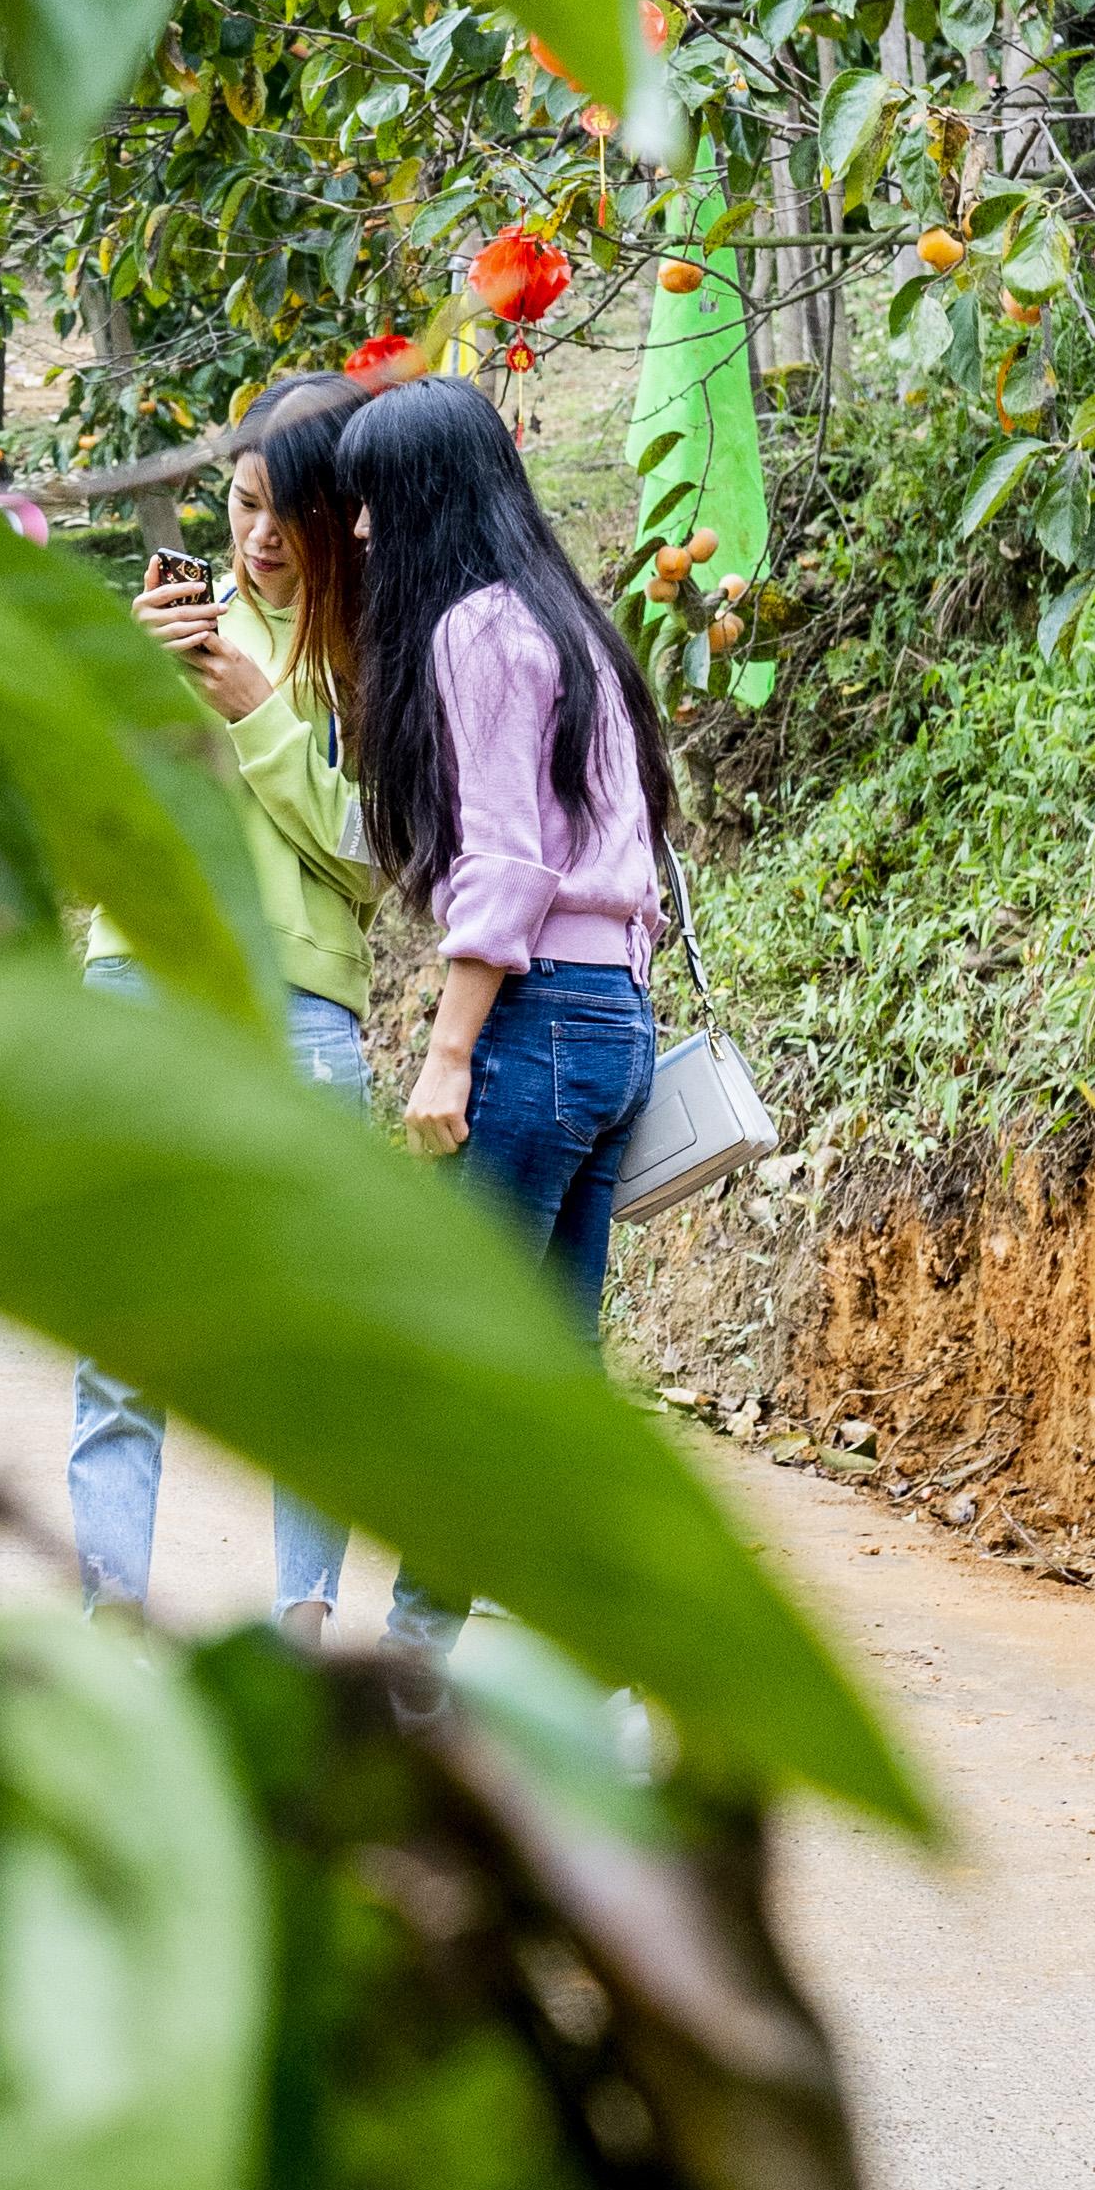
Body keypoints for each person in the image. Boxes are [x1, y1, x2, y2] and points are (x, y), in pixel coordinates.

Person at [340, 375, 676, 1655]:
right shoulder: (567, 618)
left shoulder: (477, 630)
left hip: (538, 1028)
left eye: (374, 503)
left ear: (422, 497)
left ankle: (416, 1671)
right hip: (613, 1026)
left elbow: (510, 864)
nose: (363, 533)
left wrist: (447, 1049)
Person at [74, 375, 380, 1646]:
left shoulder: (381, 646)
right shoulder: (164, 625)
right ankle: (110, 1619)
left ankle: (303, 1627)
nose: (259, 538)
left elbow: (378, 857)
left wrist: (258, 717)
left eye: (289, 516)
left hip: (305, 1007)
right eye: (245, 502)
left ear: (346, 518)